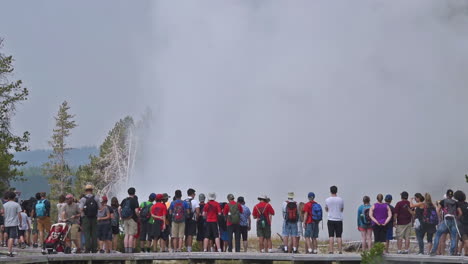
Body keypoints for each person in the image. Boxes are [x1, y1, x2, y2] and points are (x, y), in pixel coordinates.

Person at [431, 189, 459, 256]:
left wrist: (440, 218)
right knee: (453, 237)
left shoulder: (443, 201)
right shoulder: (455, 202)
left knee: (438, 234)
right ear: (452, 196)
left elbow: (438, 210)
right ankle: (452, 252)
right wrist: (457, 218)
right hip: (453, 220)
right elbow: (459, 212)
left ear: (446, 195)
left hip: (446, 220)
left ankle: (434, 251)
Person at [79, 184, 100, 253]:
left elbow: (81, 209)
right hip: (94, 218)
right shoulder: (96, 198)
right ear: (92, 190)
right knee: (94, 233)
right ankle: (94, 248)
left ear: (85, 191)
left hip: (86, 218)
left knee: (87, 233)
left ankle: (87, 249)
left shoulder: (83, 199)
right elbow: (100, 208)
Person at [325, 186, 344, 254]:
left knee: (331, 236)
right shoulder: (340, 199)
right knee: (339, 236)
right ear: (337, 191)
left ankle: (331, 250)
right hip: (338, 219)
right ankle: (340, 250)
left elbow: (326, 209)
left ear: (330, 191)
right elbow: (342, 209)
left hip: (330, 219)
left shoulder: (327, 200)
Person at [120, 187, 139, 253]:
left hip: (125, 219)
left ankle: (126, 249)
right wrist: (138, 216)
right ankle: (130, 250)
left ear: (128, 193)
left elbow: (119, 208)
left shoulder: (124, 200)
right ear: (134, 192)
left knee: (126, 234)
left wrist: (121, 216)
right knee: (131, 235)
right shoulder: (134, 200)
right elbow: (136, 210)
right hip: (132, 219)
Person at [4, 191, 22, 257]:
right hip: (13, 223)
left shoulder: (4, 205)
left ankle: (4, 243)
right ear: (14, 197)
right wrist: (20, 222)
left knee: (7, 236)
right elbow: (19, 215)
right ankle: (9, 251)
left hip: (6, 223)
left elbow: (3, 214)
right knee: (11, 238)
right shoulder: (16, 205)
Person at [185, 188, 200, 253]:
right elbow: (197, 211)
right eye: (194, 194)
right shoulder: (195, 201)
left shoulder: (184, 201)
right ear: (192, 194)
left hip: (185, 219)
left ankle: (185, 247)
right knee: (190, 234)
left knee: (186, 234)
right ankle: (189, 248)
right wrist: (197, 218)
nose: (195, 195)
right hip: (192, 219)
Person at [456, 191, 468, 256]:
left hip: (462, 225)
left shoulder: (457, 204)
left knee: (464, 241)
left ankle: (459, 253)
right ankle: (465, 254)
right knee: (465, 241)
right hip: (463, 225)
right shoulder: (465, 204)